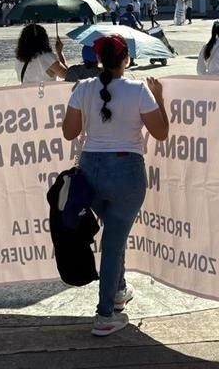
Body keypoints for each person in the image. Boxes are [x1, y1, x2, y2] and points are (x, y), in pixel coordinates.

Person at [61, 35, 169, 337]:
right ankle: (105, 313)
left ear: (97, 60)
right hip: (126, 172)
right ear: (126, 60)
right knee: (113, 242)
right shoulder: (138, 89)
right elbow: (160, 133)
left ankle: (119, 289)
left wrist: (77, 103)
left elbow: (70, 132)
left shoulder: (82, 88)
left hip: (91, 171)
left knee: (114, 236)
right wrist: (160, 97)